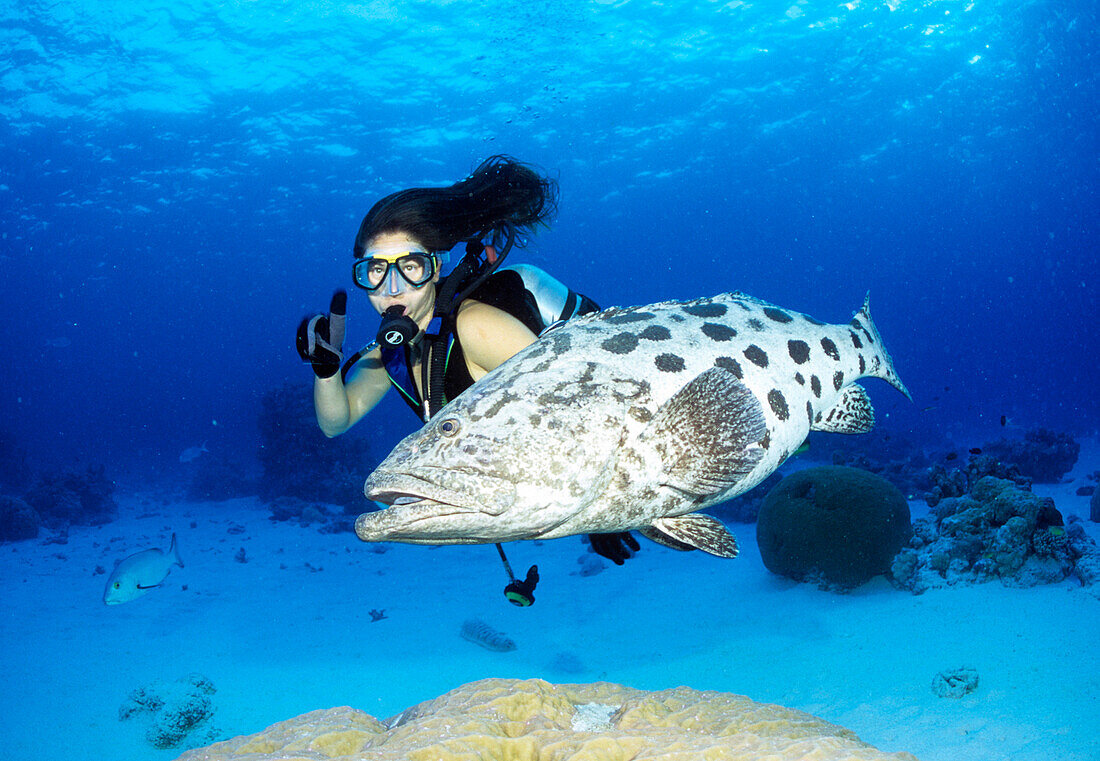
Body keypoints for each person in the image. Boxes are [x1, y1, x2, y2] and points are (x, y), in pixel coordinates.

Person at [296, 156, 639, 585]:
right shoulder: (392, 354)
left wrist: (603, 513)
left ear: (436, 268)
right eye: (376, 270)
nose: (393, 287)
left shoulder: (475, 327)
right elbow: (335, 422)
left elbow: (580, 407)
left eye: (411, 267)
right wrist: (326, 369)